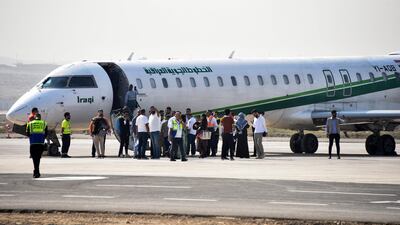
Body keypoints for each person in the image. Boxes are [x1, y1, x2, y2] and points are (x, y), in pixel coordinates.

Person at [26, 114, 48, 178]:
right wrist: (42, 138)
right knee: (38, 158)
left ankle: (36, 171)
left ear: (35, 117)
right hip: (40, 143)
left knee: (34, 158)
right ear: (40, 117)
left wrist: (32, 137)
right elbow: (46, 133)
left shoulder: (30, 123)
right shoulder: (44, 123)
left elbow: (27, 133)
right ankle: (37, 171)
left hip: (33, 143)